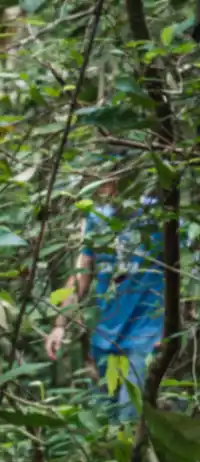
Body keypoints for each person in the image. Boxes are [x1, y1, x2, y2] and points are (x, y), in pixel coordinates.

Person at [45, 172, 166, 421]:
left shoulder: (159, 217)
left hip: (145, 335)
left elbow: (183, 270)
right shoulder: (97, 219)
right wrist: (59, 326)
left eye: (107, 182)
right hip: (105, 336)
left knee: (129, 418)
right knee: (107, 418)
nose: (103, 189)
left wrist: (171, 328)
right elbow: (82, 275)